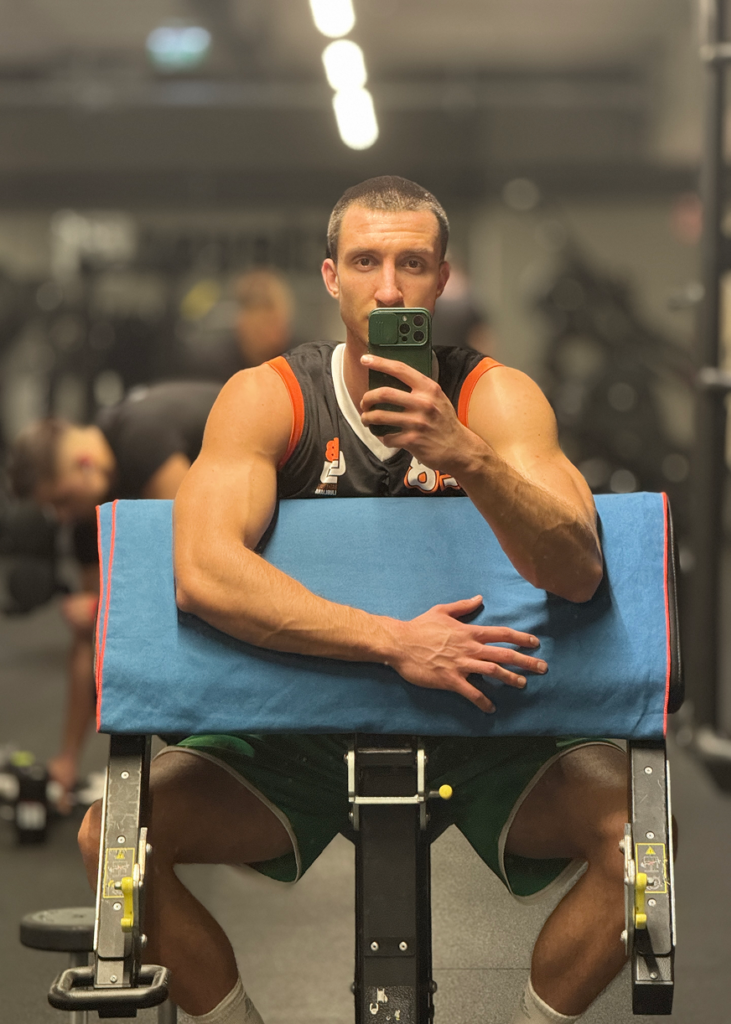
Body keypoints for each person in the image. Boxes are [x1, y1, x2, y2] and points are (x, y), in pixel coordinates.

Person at [78, 176, 625, 1024]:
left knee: (637, 841)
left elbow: (579, 569)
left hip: (482, 726)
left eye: (413, 264)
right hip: (298, 735)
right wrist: (395, 641)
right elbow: (204, 571)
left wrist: (468, 456)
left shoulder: (496, 398)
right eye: (366, 262)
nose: (390, 289)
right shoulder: (271, 398)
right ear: (331, 276)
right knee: (112, 840)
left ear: (444, 279)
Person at [7, 380, 221, 805]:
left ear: (84, 463)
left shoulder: (142, 439)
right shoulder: (86, 517)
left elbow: (199, 558)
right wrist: (67, 758)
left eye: (62, 500)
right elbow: (89, 640)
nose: (62, 516)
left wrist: (106, 607)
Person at [180, 268, 294, 382]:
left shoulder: (296, 363)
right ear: (241, 324)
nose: (272, 334)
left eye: (275, 323)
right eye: (261, 328)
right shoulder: (212, 365)